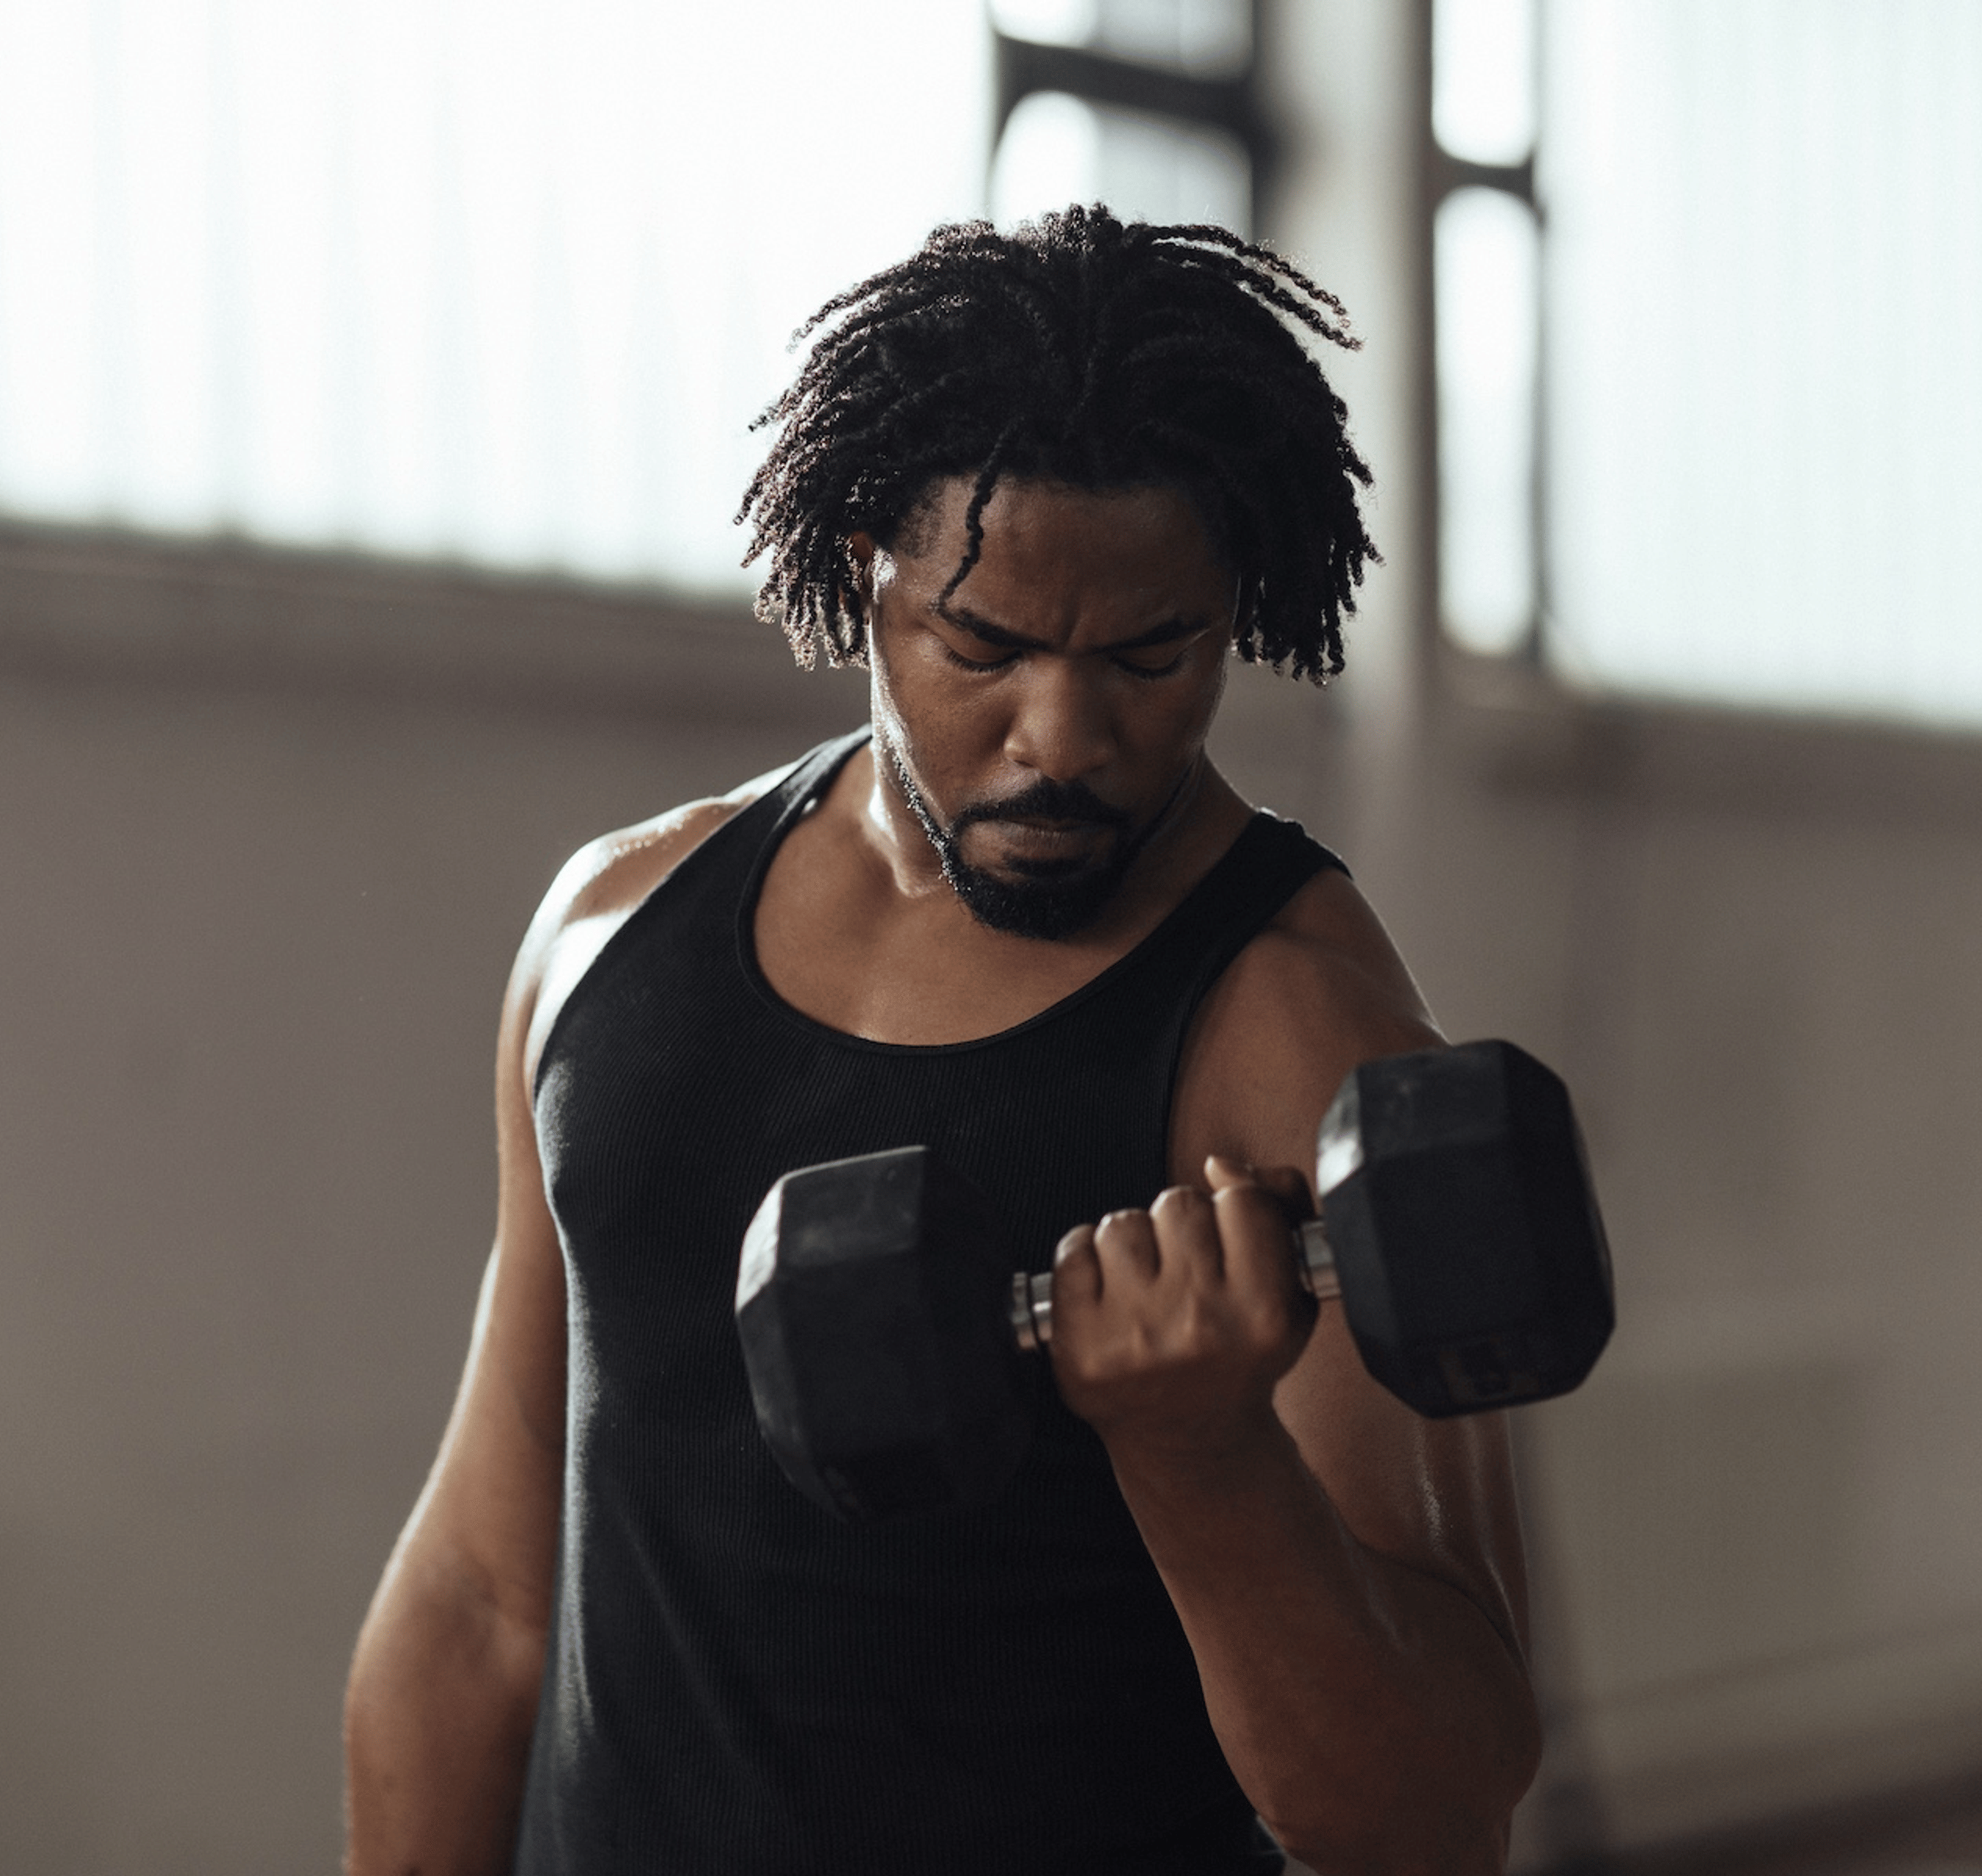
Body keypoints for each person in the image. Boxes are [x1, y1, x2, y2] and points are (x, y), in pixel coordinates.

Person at [342, 206, 1540, 1876]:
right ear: (865, 578)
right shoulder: (611, 938)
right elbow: (483, 1592)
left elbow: (1431, 1810)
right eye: (984, 645)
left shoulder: (1292, 1027)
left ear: (1235, 612)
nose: (1064, 735)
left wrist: (1201, 1453)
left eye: (1151, 652)